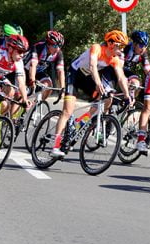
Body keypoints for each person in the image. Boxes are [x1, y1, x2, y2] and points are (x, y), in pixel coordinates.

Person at [50, 30, 133, 158]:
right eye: (120, 46)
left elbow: (121, 78)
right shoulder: (97, 48)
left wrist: (127, 96)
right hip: (75, 75)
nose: (122, 50)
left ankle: (79, 122)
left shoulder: (114, 59)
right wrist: (99, 84)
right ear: (111, 44)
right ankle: (55, 146)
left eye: (123, 47)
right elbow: (93, 66)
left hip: (88, 79)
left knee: (107, 99)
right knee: (67, 111)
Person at [26, 30, 66, 98]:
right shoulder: (38, 47)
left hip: (39, 72)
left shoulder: (59, 53)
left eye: (60, 46)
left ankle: (39, 104)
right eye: (55, 46)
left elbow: (60, 71)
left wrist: (62, 89)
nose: (58, 49)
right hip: (26, 70)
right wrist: (32, 81)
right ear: (48, 44)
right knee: (22, 96)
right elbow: (33, 65)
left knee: (49, 86)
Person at [123, 30, 150, 94]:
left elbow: (148, 70)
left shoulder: (144, 53)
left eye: (145, 46)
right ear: (134, 43)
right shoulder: (126, 48)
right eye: (141, 45)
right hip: (115, 69)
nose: (143, 49)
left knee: (137, 83)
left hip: (126, 71)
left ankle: (130, 100)